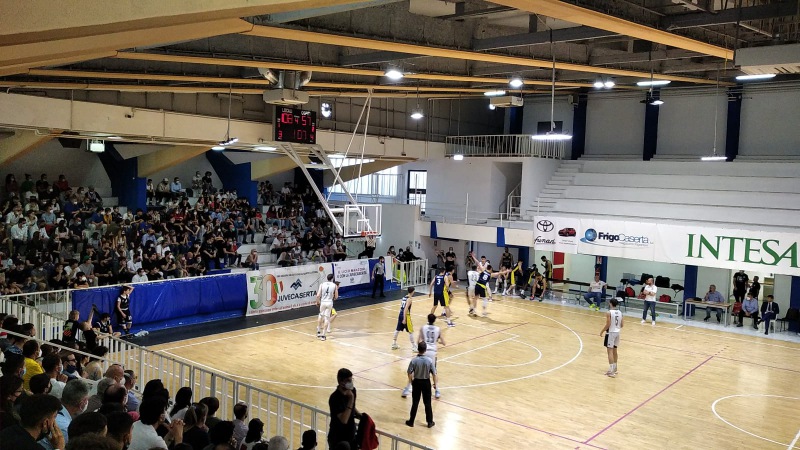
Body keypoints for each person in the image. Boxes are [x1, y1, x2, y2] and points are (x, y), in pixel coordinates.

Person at [0, 394, 65, 450]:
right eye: (54, 417)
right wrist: (59, 448)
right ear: (45, 423)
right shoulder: (34, 448)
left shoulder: (7, 431)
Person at [404, 341, 437, 429]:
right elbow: (434, 374)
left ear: (418, 349)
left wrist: (411, 381)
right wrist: (435, 384)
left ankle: (411, 421)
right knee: (427, 403)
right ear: (425, 350)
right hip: (426, 383)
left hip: (417, 382)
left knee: (415, 402)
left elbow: (409, 372)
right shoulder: (429, 361)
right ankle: (429, 422)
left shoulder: (414, 360)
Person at [327, 368, 361, 449]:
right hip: (338, 439)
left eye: (351, 380)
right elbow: (344, 419)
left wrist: (358, 414)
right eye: (348, 381)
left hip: (351, 437)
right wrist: (351, 398)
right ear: (340, 381)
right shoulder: (335, 398)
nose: (351, 383)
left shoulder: (353, 391)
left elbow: (352, 406)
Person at [599, 298, 624, 378]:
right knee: (615, 351)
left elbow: (608, 324)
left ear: (610, 303)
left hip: (611, 333)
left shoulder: (609, 312)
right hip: (617, 333)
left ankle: (611, 371)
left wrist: (602, 331)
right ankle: (615, 369)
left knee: (609, 351)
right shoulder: (620, 312)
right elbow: (622, 325)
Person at [391, 287, 416, 351]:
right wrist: (404, 319)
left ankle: (393, 343)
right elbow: (405, 309)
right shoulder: (409, 299)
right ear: (413, 291)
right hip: (406, 315)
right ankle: (414, 346)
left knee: (397, 329)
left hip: (400, 314)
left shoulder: (404, 297)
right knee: (410, 331)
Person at [315, 274, 337, 341]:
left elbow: (318, 295)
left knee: (320, 315)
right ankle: (323, 335)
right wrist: (333, 297)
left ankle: (318, 331)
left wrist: (317, 301)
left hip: (323, 302)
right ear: (332, 278)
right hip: (329, 302)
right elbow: (336, 296)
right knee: (327, 318)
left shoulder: (322, 284)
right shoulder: (334, 285)